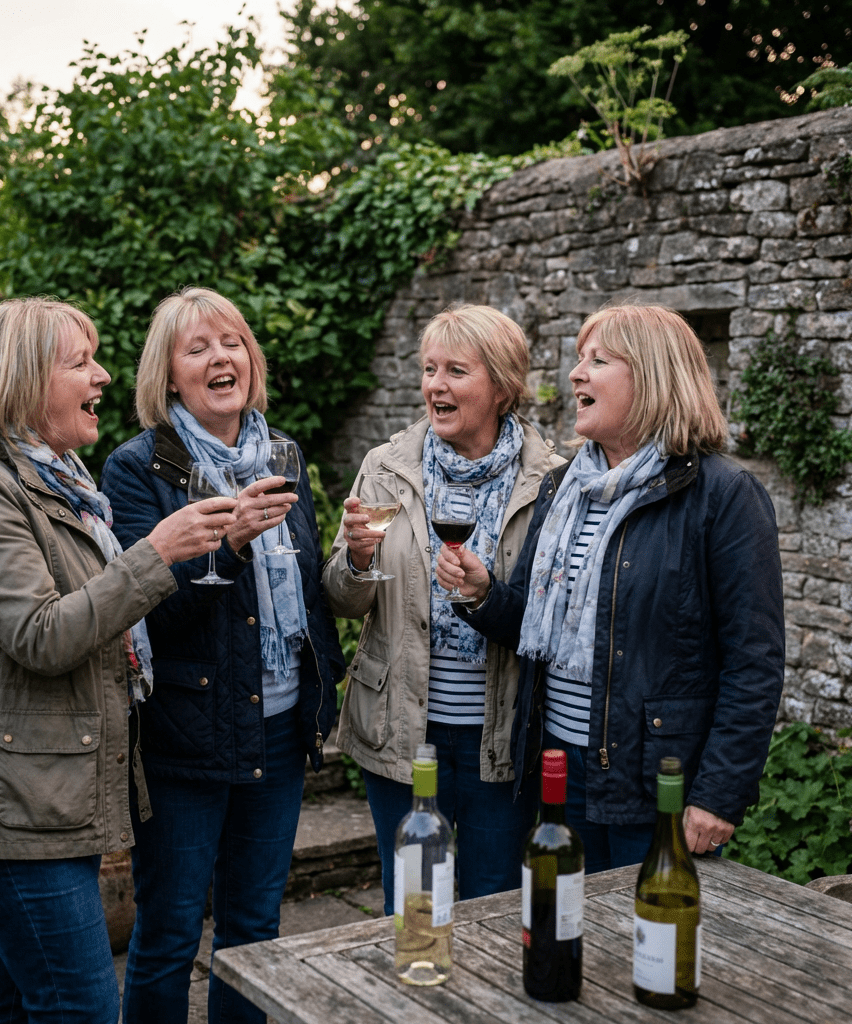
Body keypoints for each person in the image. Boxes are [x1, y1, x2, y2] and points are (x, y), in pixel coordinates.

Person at [0, 298, 237, 1024]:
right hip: (12, 808)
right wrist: (160, 553)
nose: (104, 374)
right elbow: (42, 635)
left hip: (43, 793)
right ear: (25, 382)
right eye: (81, 362)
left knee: (18, 1004)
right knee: (81, 1006)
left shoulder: (58, 479)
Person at [439, 303, 785, 871]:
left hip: (655, 786)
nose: (576, 374)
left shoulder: (723, 495)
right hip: (555, 769)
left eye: (598, 361)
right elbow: (531, 624)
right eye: (579, 360)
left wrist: (717, 794)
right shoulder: (562, 488)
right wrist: (481, 594)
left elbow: (754, 662)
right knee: (565, 936)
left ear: (651, 377)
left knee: (650, 945)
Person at [100, 287, 346, 1024]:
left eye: (231, 342)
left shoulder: (283, 454)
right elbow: (148, 615)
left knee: (255, 932)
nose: (220, 358)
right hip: (185, 736)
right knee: (171, 932)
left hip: (276, 727)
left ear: (251, 359)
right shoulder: (138, 468)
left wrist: (351, 563)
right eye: (197, 348)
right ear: (168, 375)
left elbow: (304, 596)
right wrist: (231, 546)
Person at [322, 303, 564, 914]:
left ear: (503, 386)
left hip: (500, 741)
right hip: (403, 730)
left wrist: (487, 595)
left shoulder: (553, 481)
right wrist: (354, 560)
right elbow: (342, 599)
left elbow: (556, 613)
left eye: (457, 370)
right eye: (430, 369)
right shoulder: (386, 467)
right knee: (414, 907)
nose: (436, 385)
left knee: (495, 908)